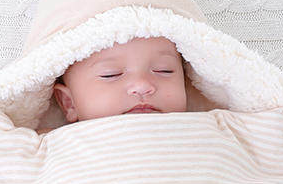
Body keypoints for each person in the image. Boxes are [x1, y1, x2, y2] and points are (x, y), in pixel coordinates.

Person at [39, 35, 188, 131]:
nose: (142, 85)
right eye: (110, 74)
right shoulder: (49, 147)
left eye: (164, 70)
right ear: (69, 103)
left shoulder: (203, 127)